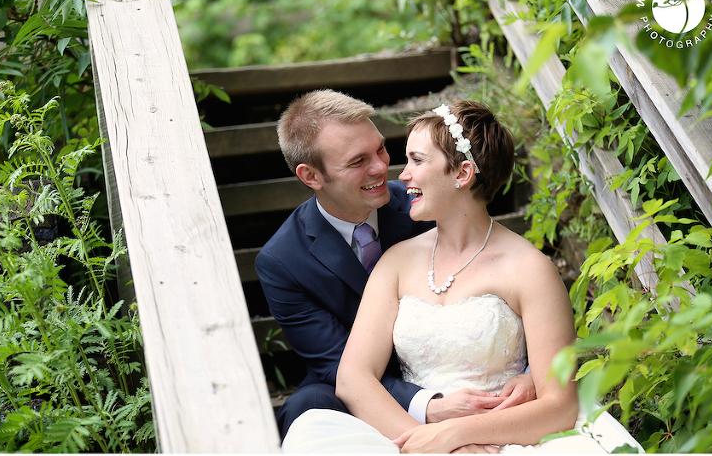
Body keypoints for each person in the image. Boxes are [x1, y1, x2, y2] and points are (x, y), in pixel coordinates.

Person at [281, 101, 643, 453]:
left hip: (507, 432)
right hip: (410, 431)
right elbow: (352, 378)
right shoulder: (395, 261)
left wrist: (457, 433)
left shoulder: (530, 269)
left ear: (463, 173)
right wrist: (434, 444)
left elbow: (559, 405)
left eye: (417, 160)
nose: (401, 176)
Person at [255, 91, 537, 444]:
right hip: (366, 386)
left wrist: (534, 373)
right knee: (306, 408)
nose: (381, 168)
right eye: (357, 161)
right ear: (311, 176)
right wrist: (428, 407)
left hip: (471, 375)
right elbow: (339, 367)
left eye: (380, 149)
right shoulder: (283, 260)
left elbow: (505, 280)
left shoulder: (428, 199)